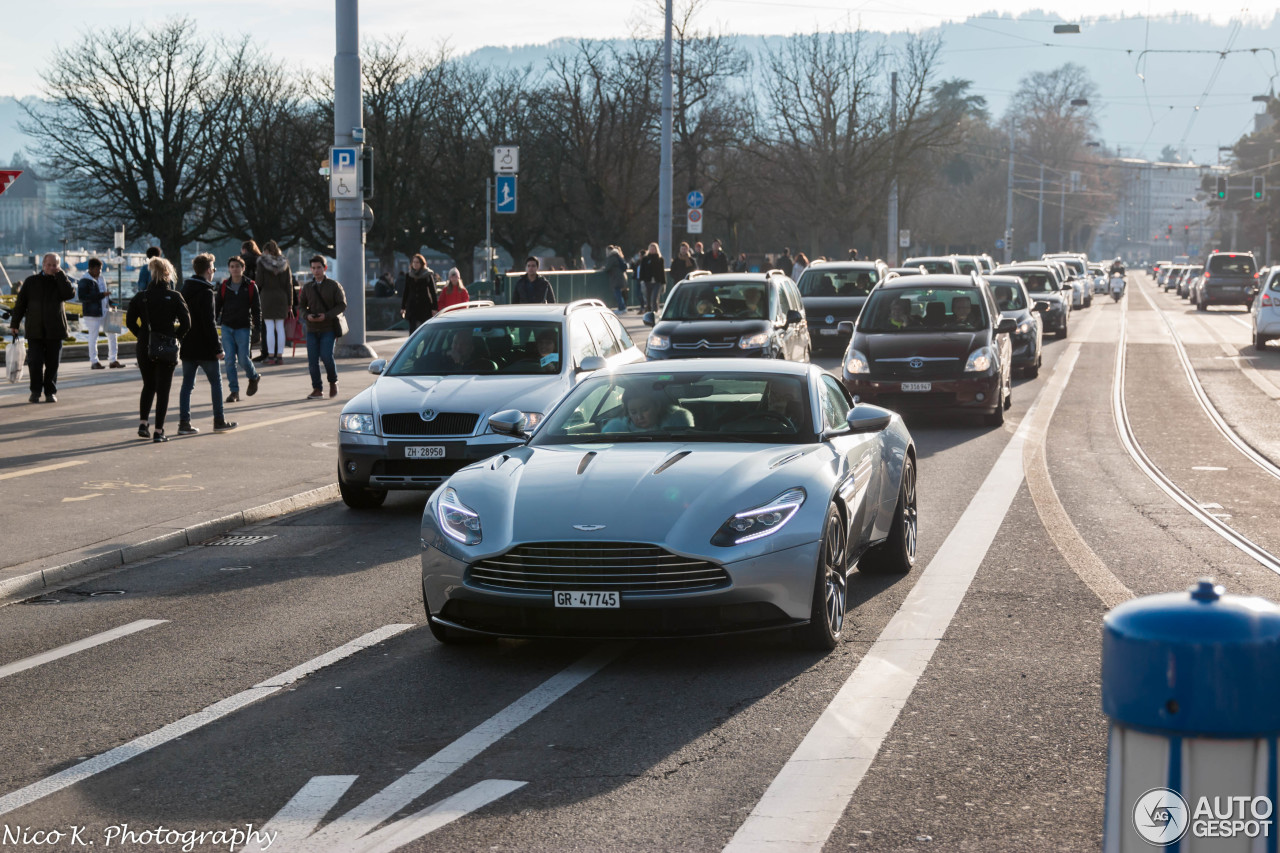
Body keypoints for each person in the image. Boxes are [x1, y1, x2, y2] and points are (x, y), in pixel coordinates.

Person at [126, 257, 190, 442]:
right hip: (166, 345)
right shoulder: (175, 297)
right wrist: (176, 337)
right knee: (163, 389)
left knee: (148, 384)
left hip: (145, 345)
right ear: (168, 274)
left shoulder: (141, 297)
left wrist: (142, 335)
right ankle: (159, 430)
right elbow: (186, 323)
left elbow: (130, 321)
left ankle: (143, 422)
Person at [177, 254, 236, 435]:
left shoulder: (185, 290)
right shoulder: (207, 292)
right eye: (214, 269)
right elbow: (209, 323)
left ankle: (184, 423)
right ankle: (219, 420)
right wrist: (218, 348)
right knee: (216, 383)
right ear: (209, 270)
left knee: (187, 385)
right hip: (205, 347)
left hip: (188, 345)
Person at [9, 252, 74, 403]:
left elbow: (69, 294)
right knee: (35, 362)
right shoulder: (31, 281)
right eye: (49, 264)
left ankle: (50, 392)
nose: (52, 267)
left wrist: (61, 276)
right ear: (43, 265)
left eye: (55, 265)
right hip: (35, 329)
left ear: (59, 266)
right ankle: (35, 391)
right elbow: (20, 304)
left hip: (55, 329)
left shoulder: (60, 280)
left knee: (53, 364)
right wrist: (15, 324)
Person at [298, 255, 346, 399]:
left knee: (326, 356)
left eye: (319, 267)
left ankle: (333, 381)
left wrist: (327, 315)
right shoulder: (307, 287)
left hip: (328, 328)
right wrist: (307, 316)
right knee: (312, 360)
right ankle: (317, 389)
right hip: (312, 328)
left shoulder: (333, 285)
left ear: (324, 268)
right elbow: (301, 306)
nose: (316, 270)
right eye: (313, 268)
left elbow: (342, 305)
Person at [215, 256, 262, 403]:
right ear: (229, 269)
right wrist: (214, 322)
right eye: (232, 266)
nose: (235, 269)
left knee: (243, 358)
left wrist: (257, 330)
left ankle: (254, 377)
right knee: (229, 360)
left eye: (238, 266)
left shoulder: (250, 286)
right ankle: (234, 391)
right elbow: (217, 308)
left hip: (243, 327)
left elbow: (256, 310)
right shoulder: (224, 286)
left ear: (243, 268)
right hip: (227, 327)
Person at [78, 257, 124, 370]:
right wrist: (101, 295)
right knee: (93, 337)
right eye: (98, 269)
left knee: (113, 335)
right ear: (91, 269)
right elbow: (83, 297)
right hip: (92, 314)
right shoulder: (84, 281)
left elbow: (105, 296)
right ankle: (94, 361)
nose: (99, 271)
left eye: (100, 269)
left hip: (106, 311)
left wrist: (111, 302)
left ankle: (113, 360)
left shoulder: (101, 278)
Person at [256, 241, 294, 365]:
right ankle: (280, 356)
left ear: (265, 250)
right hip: (282, 297)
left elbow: (259, 282)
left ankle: (271, 356)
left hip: (267, 296)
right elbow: (289, 284)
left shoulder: (262, 263)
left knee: (269, 327)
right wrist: (290, 303)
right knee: (280, 327)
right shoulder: (285, 263)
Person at [602, 387, 695, 433]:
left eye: (644, 409)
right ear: (628, 412)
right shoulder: (616, 430)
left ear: (657, 406)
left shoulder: (678, 422)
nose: (639, 417)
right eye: (633, 412)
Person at [400, 254, 439, 330]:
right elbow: (406, 291)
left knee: (425, 329)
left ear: (422, 263)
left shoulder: (427, 275)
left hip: (424, 305)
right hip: (412, 306)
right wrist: (403, 307)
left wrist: (434, 307)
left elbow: (433, 291)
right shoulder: (409, 275)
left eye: (417, 262)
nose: (415, 264)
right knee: (412, 329)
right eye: (414, 262)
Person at [637, 243, 666, 313]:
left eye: (654, 249)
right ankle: (649, 310)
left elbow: (662, 271)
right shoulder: (645, 259)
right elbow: (642, 270)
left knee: (655, 297)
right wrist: (641, 280)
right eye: (651, 249)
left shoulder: (660, 259)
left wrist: (663, 282)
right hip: (647, 281)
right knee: (648, 298)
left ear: (656, 249)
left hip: (657, 281)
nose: (652, 250)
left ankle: (655, 311)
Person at [603, 245, 629, 313]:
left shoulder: (612, 257)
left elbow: (607, 268)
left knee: (617, 294)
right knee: (619, 293)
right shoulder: (618, 256)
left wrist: (604, 268)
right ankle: (623, 307)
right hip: (620, 277)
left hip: (616, 277)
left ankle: (621, 308)